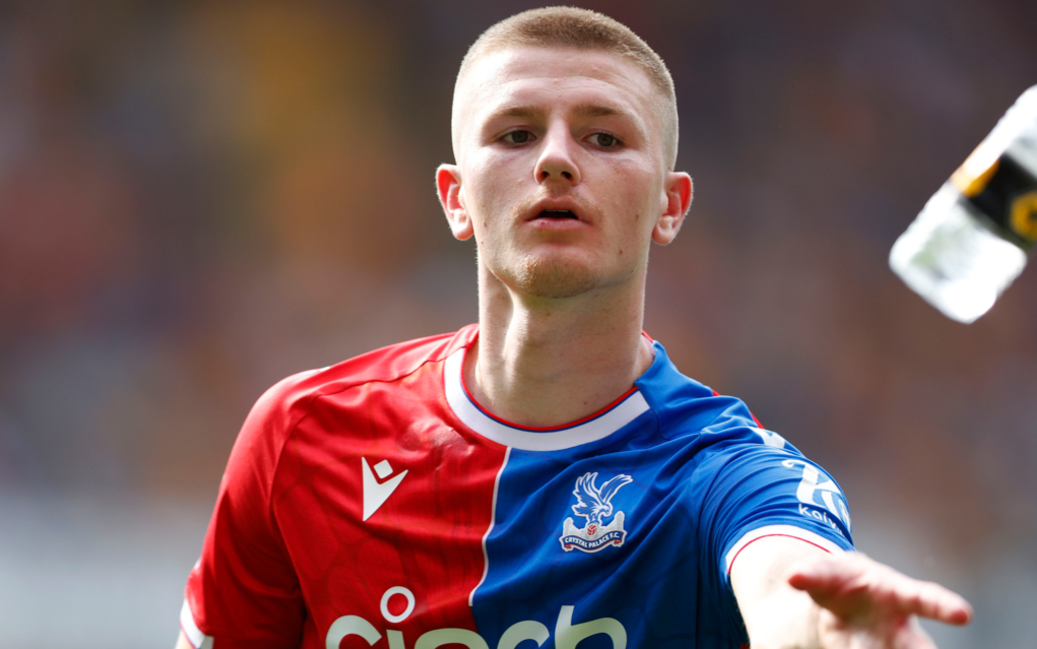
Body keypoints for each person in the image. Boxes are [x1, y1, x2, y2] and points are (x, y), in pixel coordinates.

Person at [176, 7, 972, 649]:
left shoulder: (718, 475)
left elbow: (786, 574)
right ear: (456, 197)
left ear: (670, 204)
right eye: (516, 134)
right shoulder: (300, 436)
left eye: (604, 136)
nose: (556, 160)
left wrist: (826, 629)